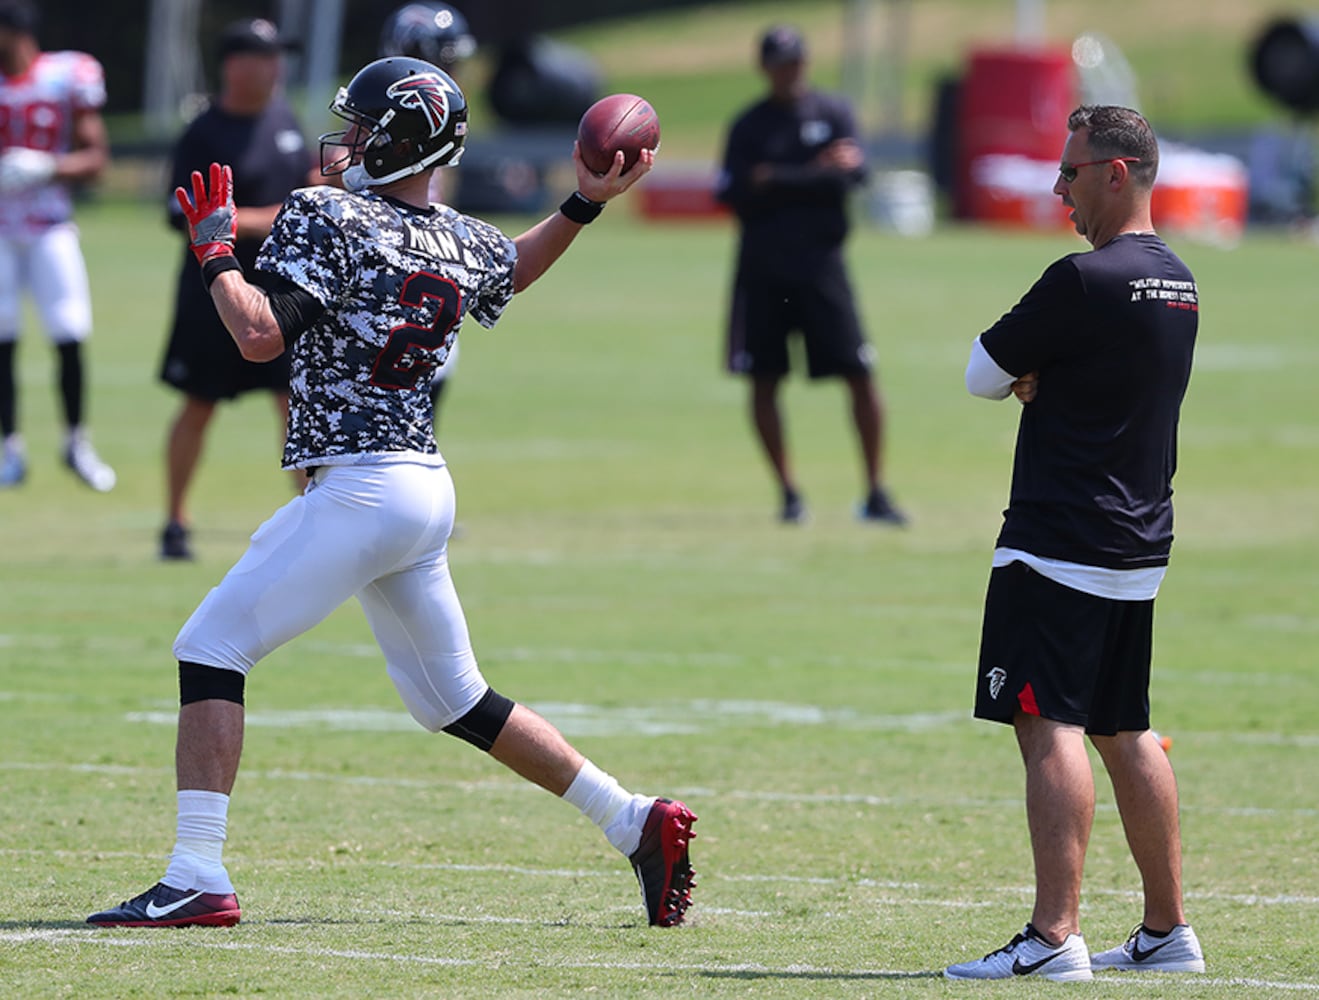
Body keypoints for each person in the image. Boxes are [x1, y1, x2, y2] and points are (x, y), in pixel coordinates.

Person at [86, 55, 696, 930]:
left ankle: (195, 875)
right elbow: (511, 268)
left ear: (399, 139)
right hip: (420, 485)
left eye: (366, 128)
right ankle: (632, 820)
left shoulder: (324, 213)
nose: (351, 141)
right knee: (454, 697)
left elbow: (259, 338)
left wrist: (217, 254)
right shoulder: (460, 235)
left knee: (211, 646)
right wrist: (584, 203)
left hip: (361, 489)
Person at [944, 105, 1205, 982]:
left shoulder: (1082, 280)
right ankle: (1167, 932)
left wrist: (1032, 376)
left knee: (1043, 722)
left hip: (1058, 537)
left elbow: (981, 373)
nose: (1058, 186)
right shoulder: (1178, 281)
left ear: (1116, 173)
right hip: (1138, 542)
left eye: (1070, 170)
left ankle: (1053, 938)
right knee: (1124, 727)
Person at [714, 25, 904, 526]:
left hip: (824, 267)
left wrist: (776, 177)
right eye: (780, 62)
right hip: (763, 270)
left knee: (860, 373)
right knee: (764, 378)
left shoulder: (833, 112)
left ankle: (876, 491)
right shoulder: (749, 125)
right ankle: (789, 492)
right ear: (765, 68)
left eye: (796, 60)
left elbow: (853, 175)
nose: (790, 71)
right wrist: (813, 173)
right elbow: (733, 192)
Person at [158, 18, 317, 560]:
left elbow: (305, 189)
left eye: (277, 57)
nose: (274, 68)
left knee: (294, 403)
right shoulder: (204, 132)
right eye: (262, 57)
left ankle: (316, 519)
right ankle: (175, 522)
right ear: (233, 65)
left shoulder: (285, 118)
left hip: (281, 289)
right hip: (215, 290)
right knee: (198, 403)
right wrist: (263, 220)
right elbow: (186, 216)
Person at [0, 0, 114, 491]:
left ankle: (76, 442)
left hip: (50, 224)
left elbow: (96, 158)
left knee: (69, 330)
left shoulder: (67, 74)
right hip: (1, 229)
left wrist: (46, 167)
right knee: (2, 337)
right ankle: (10, 448)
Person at [378, 1, 476, 430]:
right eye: (445, 57)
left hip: (427, 264)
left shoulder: (444, 113)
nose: (451, 70)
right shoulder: (383, 104)